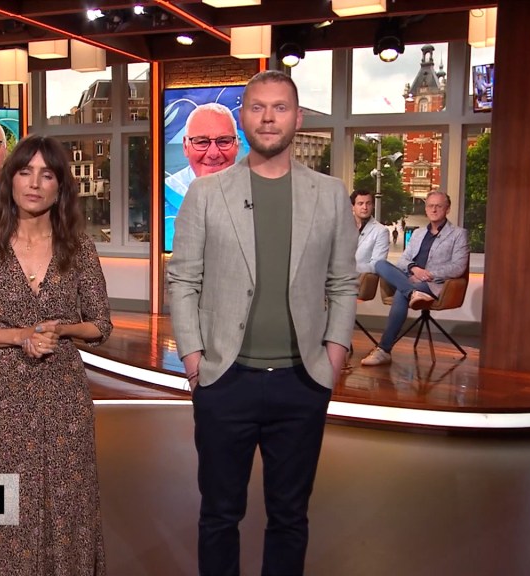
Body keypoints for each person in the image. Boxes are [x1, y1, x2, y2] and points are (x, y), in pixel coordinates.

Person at [166, 70, 357, 575]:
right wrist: (194, 361)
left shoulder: (330, 194)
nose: (268, 118)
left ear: (297, 118)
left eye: (280, 107)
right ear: (244, 118)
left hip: (302, 380)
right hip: (225, 379)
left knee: (290, 516)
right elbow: (183, 281)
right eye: (257, 107)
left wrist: (333, 357)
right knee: (219, 515)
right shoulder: (207, 194)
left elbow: (343, 283)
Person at [0, 135, 112, 575]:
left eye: (47, 174)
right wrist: (21, 336)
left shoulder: (80, 249)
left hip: (65, 402)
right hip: (5, 402)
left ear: (60, 187)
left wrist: (63, 328)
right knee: (6, 508)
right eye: (25, 172)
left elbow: (101, 325)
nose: (34, 183)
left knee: (67, 506)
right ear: (10, 181)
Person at [361, 191, 469, 366]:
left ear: (447, 209)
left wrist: (428, 274)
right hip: (411, 278)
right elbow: (403, 260)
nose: (434, 209)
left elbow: (458, 267)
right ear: (426, 209)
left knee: (401, 294)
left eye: (438, 206)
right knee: (380, 264)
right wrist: (414, 269)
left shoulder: (458, 234)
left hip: (433, 283)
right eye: (430, 206)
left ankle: (384, 350)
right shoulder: (418, 233)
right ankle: (412, 293)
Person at [165, 102, 241, 198]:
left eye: (223, 141)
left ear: (237, 144)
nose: (213, 154)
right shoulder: (165, 193)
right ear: (185, 146)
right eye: (202, 142)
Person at [352, 190, 390, 274]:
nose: (365, 207)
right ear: (352, 206)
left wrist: (349, 268)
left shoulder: (381, 231)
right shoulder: (341, 226)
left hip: (359, 278)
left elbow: (377, 265)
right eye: (360, 204)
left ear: (373, 206)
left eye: (368, 203)